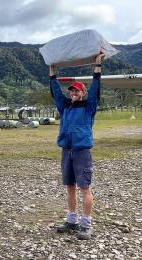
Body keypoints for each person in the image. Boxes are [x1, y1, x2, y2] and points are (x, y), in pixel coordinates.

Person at [50, 53, 105, 240]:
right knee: (70, 187)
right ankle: (72, 221)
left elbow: (96, 88)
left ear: (83, 93)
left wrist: (97, 67)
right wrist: (52, 73)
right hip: (66, 151)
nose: (73, 94)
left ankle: (86, 224)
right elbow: (56, 92)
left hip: (82, 152)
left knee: (84, 188)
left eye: (77, 91)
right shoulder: (64, 106)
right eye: (71, 91)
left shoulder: (89, 106)